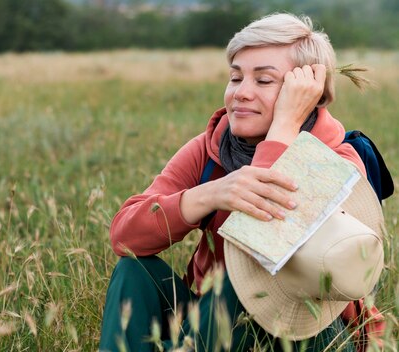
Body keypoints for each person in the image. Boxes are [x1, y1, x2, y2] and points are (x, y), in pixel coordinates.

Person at [99, 13, 386, 352]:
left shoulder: (338, 160)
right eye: (235, 78)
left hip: (306, 332)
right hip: (212, 318)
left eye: (264, 81)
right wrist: (208, 195)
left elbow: (259, 247)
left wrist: (284, 126)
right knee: (135, 269)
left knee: (245, 277)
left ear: (307, 92)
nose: (241, 93)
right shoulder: (210, 148)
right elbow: (124, 236)